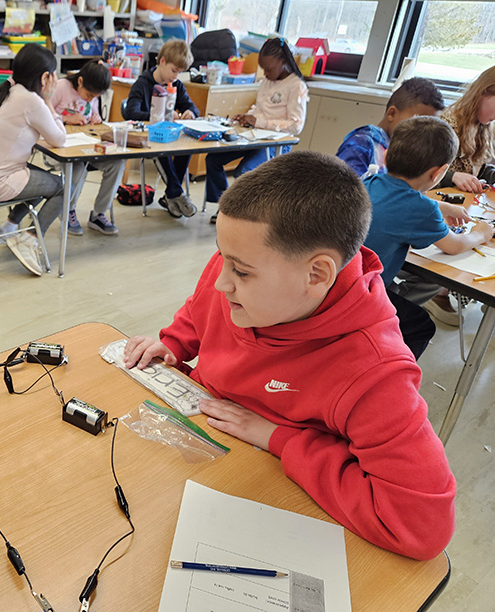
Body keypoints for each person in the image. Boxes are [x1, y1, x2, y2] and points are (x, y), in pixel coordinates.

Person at [123, 151, 455, 561]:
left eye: (241, 272)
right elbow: (200, 312)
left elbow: (420, 526)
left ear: (316, 275)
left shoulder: (374, 371)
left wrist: (280, 438)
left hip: (268, 501)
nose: (221, 281)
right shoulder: (238, 264)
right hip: (191, 457)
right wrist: (173, 344)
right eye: (221, 257)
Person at [364, 116, 492, 333]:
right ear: (438, 173)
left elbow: (399, 201)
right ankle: (384, 322)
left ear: (386, 156)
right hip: (363, 296)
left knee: (425, 273)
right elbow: (454, 246)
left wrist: (445, 207)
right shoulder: (421, 209)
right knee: (422, 325)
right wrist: (481, 233)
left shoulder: (369, 182)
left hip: (343, 282)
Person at [0, 44, 66, 276]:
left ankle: (10, 225)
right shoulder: (32, 101)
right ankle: (30, 238)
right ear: (45, 78)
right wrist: (50, 101)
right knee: (63, 186)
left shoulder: (10, 90)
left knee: (39, 178)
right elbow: (59, 139)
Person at [204, 37, 308, 222]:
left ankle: (238, 215)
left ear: (282, 62)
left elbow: (295, 125)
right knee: (213, 159)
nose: (266, 74)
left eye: (269, 69)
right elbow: (259, 109)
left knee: (245, 173)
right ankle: (223, 207)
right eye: (264, 69)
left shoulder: (296, 86)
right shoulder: (267, 81)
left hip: (277, 142)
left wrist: (259, 121)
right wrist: (247, 117)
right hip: (254, 137)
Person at [123, 39, 198, 219]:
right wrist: (158, 116)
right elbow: (131, 112)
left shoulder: (177, 85)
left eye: (180, 72)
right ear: (162, 61)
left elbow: (192, 107)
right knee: (160, 149)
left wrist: (190, 112)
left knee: (186, 148)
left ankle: (171, 195)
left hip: (169, 136)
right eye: (174, 70)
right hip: (148, 138)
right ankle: (174, 193)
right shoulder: (143, 83)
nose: (176, 76)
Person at [51, 60, 122, 236]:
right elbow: (42, 114)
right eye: (89, 95)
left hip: (87, 146)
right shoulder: (61, 87)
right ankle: (68, 210)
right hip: (59, 149)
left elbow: (92, 113)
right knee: (78, 165)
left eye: (95, 97)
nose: (91, 99)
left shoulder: (93, 96)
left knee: (117, 163)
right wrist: (66, 119)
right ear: (80, 81)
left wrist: (96, 117)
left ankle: (98, 213)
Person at [337, 77, 445, 177]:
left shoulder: (402, 148)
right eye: (417, 123)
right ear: (392, 114)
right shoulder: (361, 144)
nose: (422, 133)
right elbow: (344, 190)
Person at [438, 66, 495, 194]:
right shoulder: (447, 126)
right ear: (484, 92)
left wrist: (490, 174)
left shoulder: (482, 127)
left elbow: (475, 171)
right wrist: (452, 177)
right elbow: (420, 174)